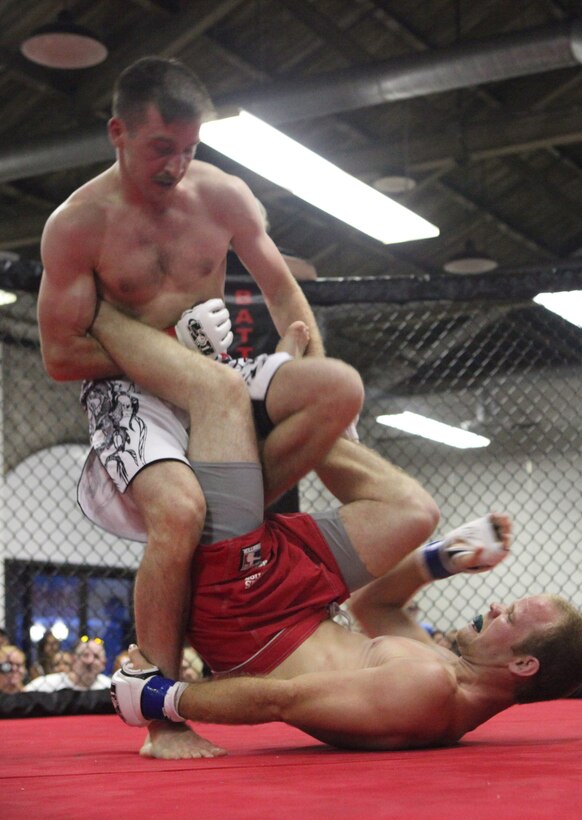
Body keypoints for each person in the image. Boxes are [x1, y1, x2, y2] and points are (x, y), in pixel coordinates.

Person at [36, 56, 362, 757]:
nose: (177, 166)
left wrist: (307, 358)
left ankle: (228, 532)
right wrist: (165, 342)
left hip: (219, 370)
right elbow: (61, 357)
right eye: (161, 148)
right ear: (118, 132)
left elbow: (281, 289)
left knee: (338, 389)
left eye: (189, 149)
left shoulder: (225, 196)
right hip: (131, 390)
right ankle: (161, 718)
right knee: (179, 511)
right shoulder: (77, 226)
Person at [89, 304, 582, 757]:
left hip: (245, 617)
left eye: (511, 616)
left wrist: (162, 698)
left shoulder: (427, 692)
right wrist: (444, 558)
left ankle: (93, 318)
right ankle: (283, 408)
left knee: (217, 391)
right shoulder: (444, 671)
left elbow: (279, 699)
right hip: (297, 598)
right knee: (416, 512)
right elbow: (375, 606)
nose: (495, 605)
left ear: (524, 665)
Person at [24, 639, 110, 693]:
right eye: (85, 655)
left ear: (103, 664)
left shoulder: (109, 686)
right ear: (74, 660)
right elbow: (23, 694)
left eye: (96, 657)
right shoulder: (47, 683)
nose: (90, 661)